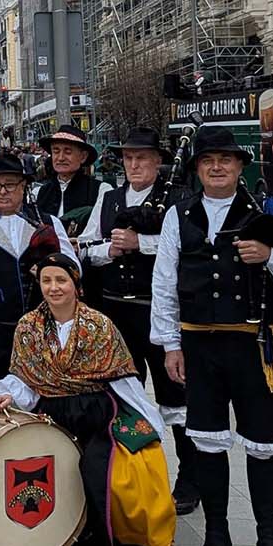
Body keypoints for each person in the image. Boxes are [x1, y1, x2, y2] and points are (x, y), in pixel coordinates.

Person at [152, 125, 273, 546]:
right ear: (197, 169)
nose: (218, 167)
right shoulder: (179, 215)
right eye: (209, 161)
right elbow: (164, 285)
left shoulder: (266, 212)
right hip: (199, 347)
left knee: (264, 447)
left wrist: (270, 255)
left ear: (240, 166)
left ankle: (270, 539)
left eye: (226, 159)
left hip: (252, 348)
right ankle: (216, 533)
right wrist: (169, 343)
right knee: (206, 443)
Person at [0, 252, 192, 546]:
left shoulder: (99, 325)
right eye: (47, 281)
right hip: (51, 412)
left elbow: (123, 379)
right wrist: (7, 394)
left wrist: (148, 420)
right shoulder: (28, 327)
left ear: (76, 284)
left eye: (61, 280)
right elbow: (26, 380)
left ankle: (122, 535)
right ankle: (66, 533)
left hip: (96, 412)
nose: (54, 288)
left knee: (107, 467)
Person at [77, 126, 198, 513]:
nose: (134, 165)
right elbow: (88, 246)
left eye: (142, 158)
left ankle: (189, 478)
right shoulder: (110, 198)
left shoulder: (177, 199)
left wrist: (139, 243)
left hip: (158, 313)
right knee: (121, 396)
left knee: (173, 396)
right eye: (129, 158)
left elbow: (186, 245)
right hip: (117, 312)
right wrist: (109, 251)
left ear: (158, 161)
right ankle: (128, 472)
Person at [0, 152, 78, 387]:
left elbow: (75, 271)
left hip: (45, 327)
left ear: (23, 186)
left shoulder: (48, 224)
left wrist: (50, 269)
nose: (2, 191)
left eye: (10, 185)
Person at [37, 124, 108, 241]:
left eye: (68, 151)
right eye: (56, 151)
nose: (60, 158)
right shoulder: (40, 192)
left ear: (83, 157)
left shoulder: (101, 190)